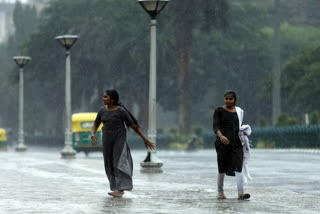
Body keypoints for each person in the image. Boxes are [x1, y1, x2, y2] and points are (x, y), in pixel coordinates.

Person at [91, 89, 155, 197]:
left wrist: (145, 139)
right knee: (109, 164)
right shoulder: (102, 110)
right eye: (103, 96)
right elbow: (96, 124)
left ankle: (120, 189)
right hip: (106, 141)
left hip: (119, 141)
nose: (103, 99)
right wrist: (93, 134)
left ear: (112, 99)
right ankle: (115, 187)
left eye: (105, 97)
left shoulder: (121, 111)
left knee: (118, 163)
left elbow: (133, 126)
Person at [213, 90, 250, 200]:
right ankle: (220, 192)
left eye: (230, 99)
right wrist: (221, 136)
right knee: (222, 167)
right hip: (222, 144)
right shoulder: (219, 111)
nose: (228, 101)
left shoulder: (239, 112)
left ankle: (241, 193)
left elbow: (240, 126)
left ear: (235, 100)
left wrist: (244, 131)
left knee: (238, 167)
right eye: (226, 98)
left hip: (237, 143)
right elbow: (216, 126)